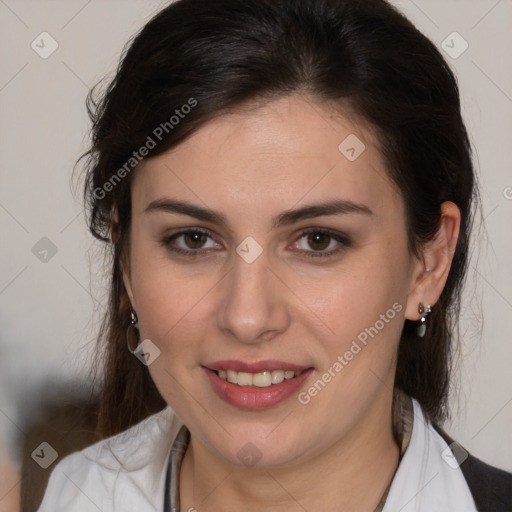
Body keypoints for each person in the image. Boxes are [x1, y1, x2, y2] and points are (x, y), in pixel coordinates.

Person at [36, 0, 512, 510]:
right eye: (193, 239)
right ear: (126, 261)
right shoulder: (72, 493)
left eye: (318, 240)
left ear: (429, 262)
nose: (247, 317)